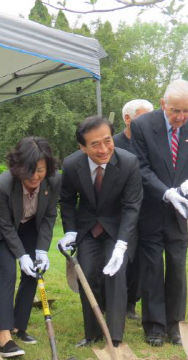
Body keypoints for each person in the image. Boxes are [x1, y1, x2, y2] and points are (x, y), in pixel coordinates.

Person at [130, 80, 188, 347]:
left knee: (178, 268)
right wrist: (166, 192)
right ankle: (155, 327)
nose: (180, 117)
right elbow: (141, 168)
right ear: (163, 104)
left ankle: (176, 326)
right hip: (151, 208)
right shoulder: (143, 126)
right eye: (175, 111)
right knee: (152, 268)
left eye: (186, 111)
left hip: (182, 214)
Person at [59, 116, 143, 348]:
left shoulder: (129, 163)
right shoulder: (71, 164)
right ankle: (92, 332)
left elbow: (131, 206)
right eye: (95, 144)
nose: (104, 149)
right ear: (82, 147)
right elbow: (67, 201)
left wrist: (122, 244)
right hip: (88, 229)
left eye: (108, 141)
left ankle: (114, 337)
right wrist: (70, 232)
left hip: (118, 230)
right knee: (87, 275)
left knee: (116, 276)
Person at [0, 137, 61, 358]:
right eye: (29, 170)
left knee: (33, 272)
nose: (35, 176)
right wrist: (21, 255)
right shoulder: (4, 184)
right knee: (8, 272)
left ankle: (19, 327)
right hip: (2, 228)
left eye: (40, 170)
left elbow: (49, 215)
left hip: (30, 227)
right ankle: (4, 336)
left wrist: (41, 251)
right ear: (18, 166)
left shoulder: (54, 181)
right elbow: (6, 225)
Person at [114, 99, 154, 321]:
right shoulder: (114, 145)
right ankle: (110, 300)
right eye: (143, 117)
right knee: (121, 257)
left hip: (146, 211)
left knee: (140, 260)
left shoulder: (152, 144)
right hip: (119, 212)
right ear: (127, 119)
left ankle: (131, 302)